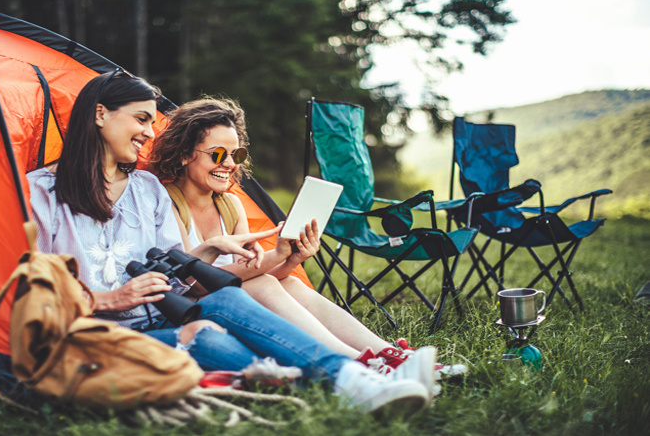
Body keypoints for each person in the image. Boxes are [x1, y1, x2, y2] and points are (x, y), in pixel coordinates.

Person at [27, 69, 437, 415]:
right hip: (93, 336)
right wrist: (111, 299)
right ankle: (348, 381)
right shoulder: (40, 193)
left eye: (152, 123)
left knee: (223, 303)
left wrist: (209, 251)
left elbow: (175, 268)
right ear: (100, 114)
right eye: (141, 120)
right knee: (205, 330)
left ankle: (354, 378)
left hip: (159, 320)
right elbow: (29, 292)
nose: (149, 133)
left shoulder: (145, 188)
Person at [149, 97, 467, 380]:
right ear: (185, 153)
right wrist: (273, 258)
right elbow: (194, 284)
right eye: (218, 154)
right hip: (187, 314)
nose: (230, 164)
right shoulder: (167, 202)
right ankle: (359, 363)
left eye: (237, 153)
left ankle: (388, 354)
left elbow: (254, 274)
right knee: (263, 283)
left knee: (288, 282)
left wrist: (293, 259)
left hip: (238, 304)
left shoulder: (230, 204)